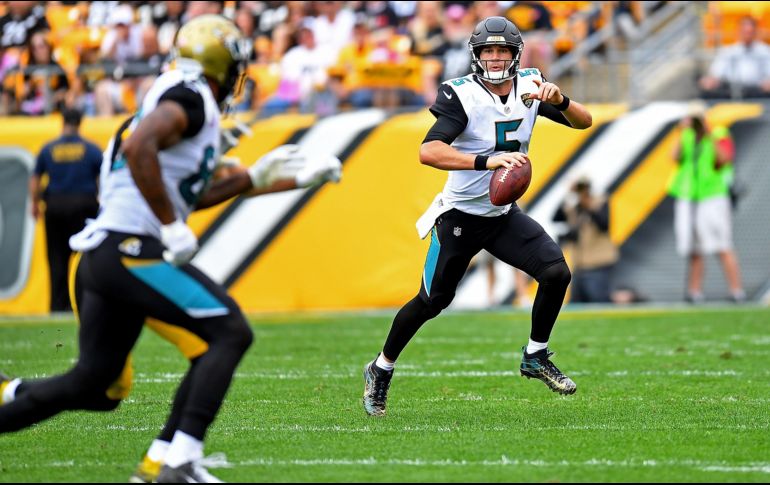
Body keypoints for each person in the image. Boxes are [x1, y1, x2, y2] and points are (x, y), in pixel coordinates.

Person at [0, 15, 342, 483]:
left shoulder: (173, 96)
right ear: (221, 67)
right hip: (129, 250)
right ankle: (177, 463)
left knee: (97, 385)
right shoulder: (189, 97)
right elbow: (141, 147)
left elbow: (188, 193)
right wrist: (170, 226)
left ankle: (153, 460)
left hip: (106, 256)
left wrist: (275, 179)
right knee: (228, 332)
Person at [361, 16, 593, 417]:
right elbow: (428, 151)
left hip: (501, 215)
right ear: (477, 55)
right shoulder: (463, 94)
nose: (496, 57)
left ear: (516, 55)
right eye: (489, 50)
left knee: (556, 273)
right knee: (432, 301)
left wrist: (560, 101)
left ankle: (535, 355)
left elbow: (584, 121)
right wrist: (487, 161)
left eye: (503, 50)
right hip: (460, 216)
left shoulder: (531, 86)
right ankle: (381, 367)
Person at [669, 103, 745, 303]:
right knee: (694, 248)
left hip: (713, 196)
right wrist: (680, 132)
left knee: (722, 244)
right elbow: (674, 157)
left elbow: (724, 159)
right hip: (689, 195)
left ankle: (736, 291)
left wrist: (708, 134)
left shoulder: (719, 134)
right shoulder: (686, 135)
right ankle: (695, 292)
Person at [30, 107, 102, 312]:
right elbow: (102, 179)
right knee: (85, 258)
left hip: (55, 206)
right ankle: (84, 303)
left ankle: (58, 307)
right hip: (84, 206)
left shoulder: (48, 148)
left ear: (63, 123)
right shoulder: (91, 149)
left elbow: (35, 178)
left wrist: (34, 203)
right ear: (79, 123)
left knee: (56, 259)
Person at [553, 176, 618, 303]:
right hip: (579, 265)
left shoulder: (600, 202)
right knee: (577, 303)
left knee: (599, 301)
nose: (581, 191)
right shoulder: (574, 207)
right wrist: (568, 194)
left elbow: (604, 225)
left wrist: (589, 205)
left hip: (599, 263)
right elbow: (555, 218)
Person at [699, 16, 770, 99]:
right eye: (745, 32)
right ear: (738, 32)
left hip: (758, 92)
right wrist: (711, 81)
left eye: (750, 32)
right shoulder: (728, 51)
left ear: (755, 32)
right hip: (731, 91)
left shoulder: (764, 51)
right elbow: (717, 73)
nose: (747, 35)